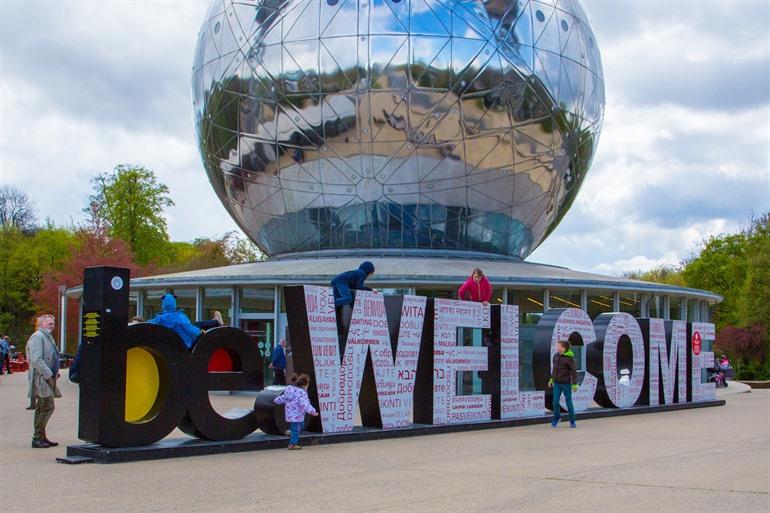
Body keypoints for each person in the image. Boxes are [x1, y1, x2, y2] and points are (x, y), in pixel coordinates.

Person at [27, 314, 62, 448]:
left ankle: (40, 436)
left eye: (53, 323)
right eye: (49, 324)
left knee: (42, 406)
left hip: (47, 376)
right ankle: (37, 437)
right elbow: (36, 358)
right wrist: (48, 375)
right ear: (41, 324)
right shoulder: (38, 337)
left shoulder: (47, 337)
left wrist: (54, 373)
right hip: (41, 377)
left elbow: (52, 356)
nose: (52, 326)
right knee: (48, 406)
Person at [273, 373, 318, 450]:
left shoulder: (290, 391)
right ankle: (292, 444)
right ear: (306, 384)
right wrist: (313, 411)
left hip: (291, 415)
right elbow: (305, 404)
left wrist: (276, 400)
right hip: (297, 415)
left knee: (299, 426)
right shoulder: (302, 394)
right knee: (296, 429)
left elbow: (283, 398)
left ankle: (291, 432)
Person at [548, 339, 578, 429]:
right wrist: (551, 380)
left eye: (558, 346)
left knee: (569, 403)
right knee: (555, 402)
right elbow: (554, 370)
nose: (557, 347)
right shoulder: (556, 356)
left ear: (563, 348)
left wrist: (574, 384)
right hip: (557, 383)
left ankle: (572, 421)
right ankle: (557, 418)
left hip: (566, 384)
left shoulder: (569, 359)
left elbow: (574, 372)